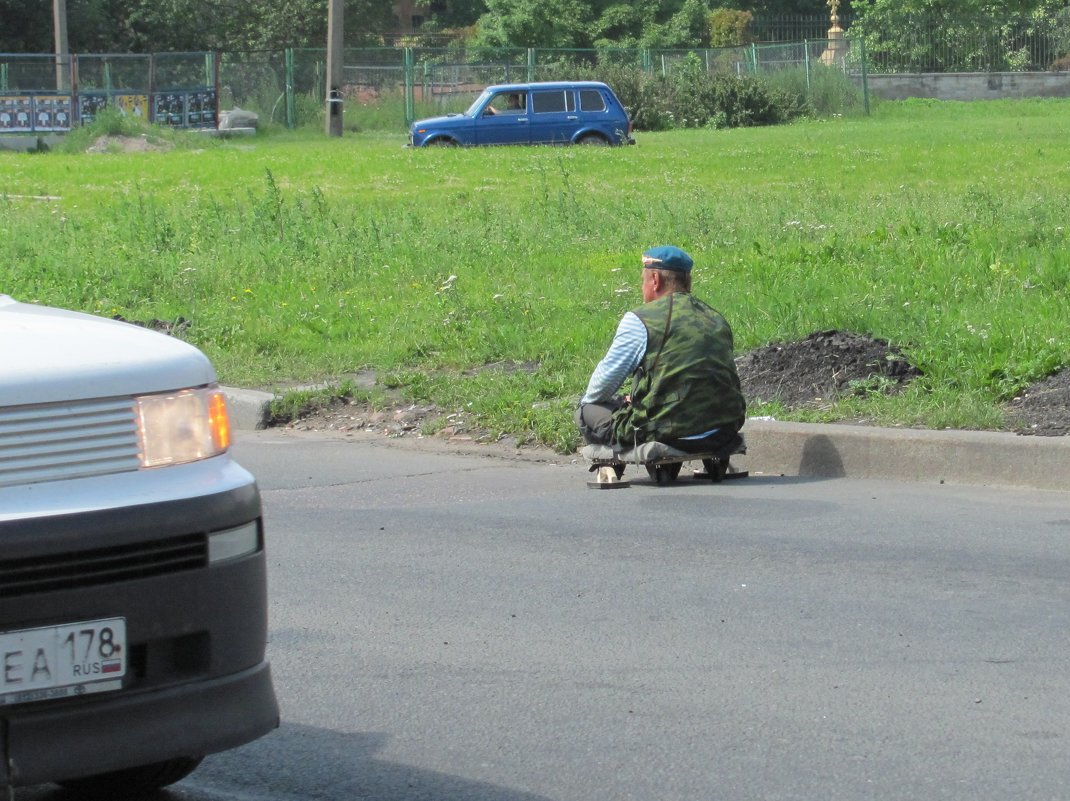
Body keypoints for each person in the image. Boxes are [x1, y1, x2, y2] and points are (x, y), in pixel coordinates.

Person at [575, 245, 746, 456]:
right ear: (688, 281)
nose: (642, 287)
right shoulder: (716, 318)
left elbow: (599, 389)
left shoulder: (641, 320)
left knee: (586, 409)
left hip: (666, 430)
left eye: (642, 280)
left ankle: (616, 450)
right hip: (723, 429)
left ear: (655, 280)